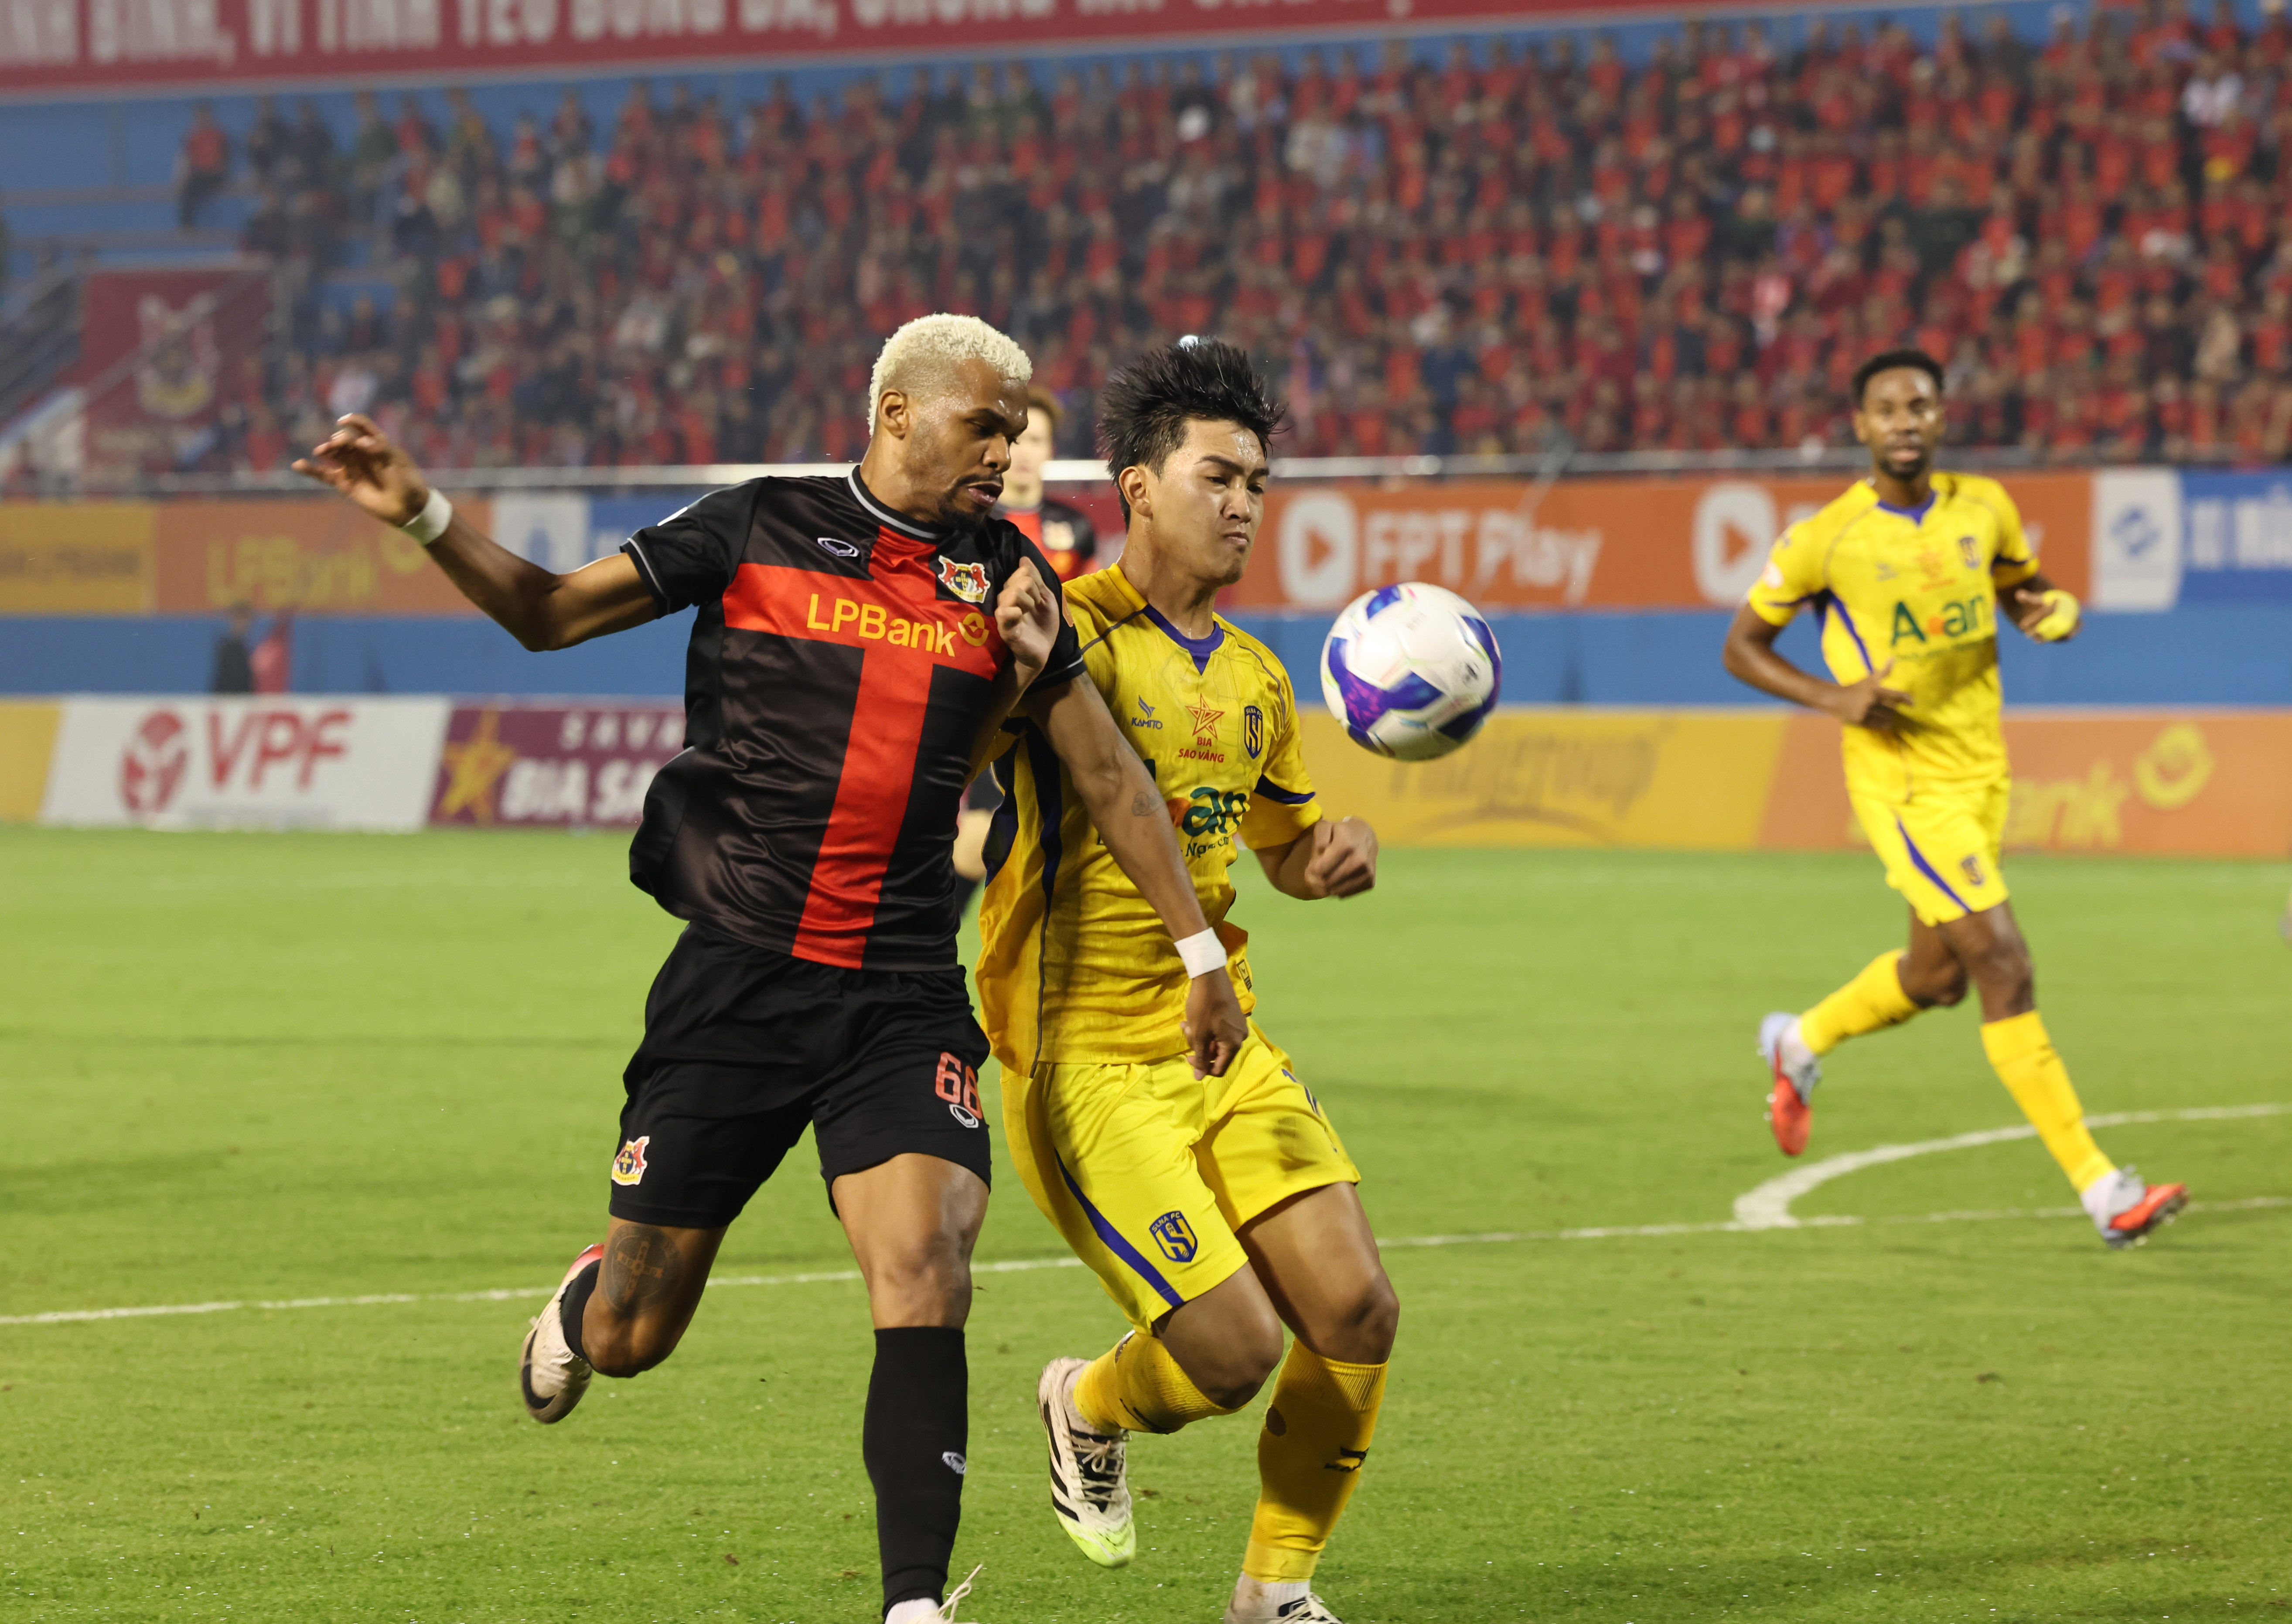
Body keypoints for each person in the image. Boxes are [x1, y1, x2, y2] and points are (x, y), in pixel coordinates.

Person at [293, 313, 1248, 1624]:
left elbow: (1106, 772)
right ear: (899, 413)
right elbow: (548, 612)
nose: (1010, 449)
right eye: (988, 423)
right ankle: (589, 1298)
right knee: (638, 1334)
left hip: (902, 993)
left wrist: (1200, 945)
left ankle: (914, 1601)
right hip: (738, 985)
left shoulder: (1010, 578)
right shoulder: (756, 527)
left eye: (1022, 428)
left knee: (929, 1264)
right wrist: (423, 512)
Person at [974, 339, 1393, 1624]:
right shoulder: (1061, 628)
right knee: (1231, 1347)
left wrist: (1328, 861)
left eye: (1259, 482)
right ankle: (1084, 1400)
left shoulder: (1261, 675)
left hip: (1223, 1046)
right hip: (1085, 1056)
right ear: (1139, 485)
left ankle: (1274, 1591)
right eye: (1219, 475)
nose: (1244, 504)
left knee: (1357, 1306)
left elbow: (1275, 852)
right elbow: (965, 749)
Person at [1721, 348, 2186, 1250]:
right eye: (1887, 408)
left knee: (1936, 977)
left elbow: (2021, 588)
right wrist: (1835, 697)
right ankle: (2103, 1189)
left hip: (1982, 771)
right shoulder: (1827, 538)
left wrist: (2048, 609)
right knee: (2005, 965)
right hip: (1902, 782)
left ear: (1941, 418)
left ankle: (1800, 1039)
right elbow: (1741, 646)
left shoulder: (1987, 507)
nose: (1905, 420)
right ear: (1859, 426)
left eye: (1920, 405)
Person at [994, 384, 1099, 582]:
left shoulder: (1077, 526)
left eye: (1036, 441)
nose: (1025, 453)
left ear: (1051, 449)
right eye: (1016, 440)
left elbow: (1089, 604)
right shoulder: (972, 524)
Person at [210, 603, 256, 694]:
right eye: (240, 620)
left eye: (247, 621)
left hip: (245, 701)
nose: (244, 625)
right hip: (228, 700)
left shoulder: (246, 649)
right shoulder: (227, 649)